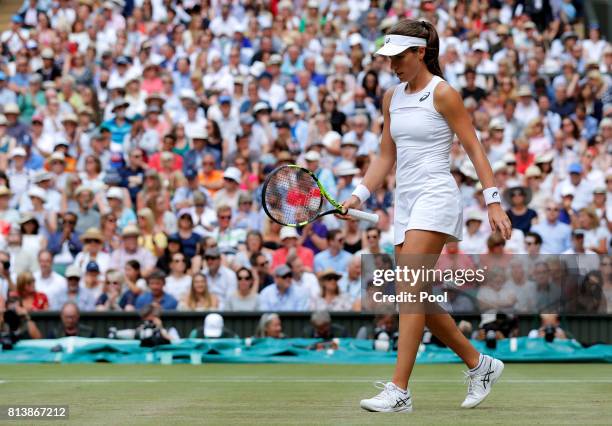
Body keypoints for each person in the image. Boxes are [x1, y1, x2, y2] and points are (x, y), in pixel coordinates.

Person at [341, 20, 511, 412]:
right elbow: (386, 155)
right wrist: (358, 195)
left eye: (399, 57)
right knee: (414, 295)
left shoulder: (444, 93)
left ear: (420, 53)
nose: (392, 65)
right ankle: (479, 364)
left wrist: (493, 200)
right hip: (407, 201)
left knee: (408, 290)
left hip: (437, 195)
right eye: (388, 59)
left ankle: (399, 389)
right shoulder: (391, 97)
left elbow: (474, 148)